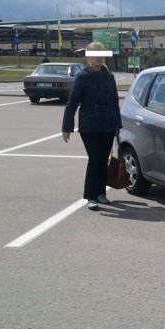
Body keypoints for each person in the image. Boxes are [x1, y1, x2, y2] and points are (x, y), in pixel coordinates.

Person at [62, 41, 122, 210]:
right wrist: (66, 127)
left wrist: (117, 125)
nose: (98, 57)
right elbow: (72, 103)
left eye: (101, 53)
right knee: (95, 159)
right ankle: (91, 196)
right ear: (88, 57)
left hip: (108, 125)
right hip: (90, 126)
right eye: (94, 54)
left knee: (103, 160)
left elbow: (114, 101)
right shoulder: (83, 76)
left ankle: (101, 193)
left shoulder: (109, 76)